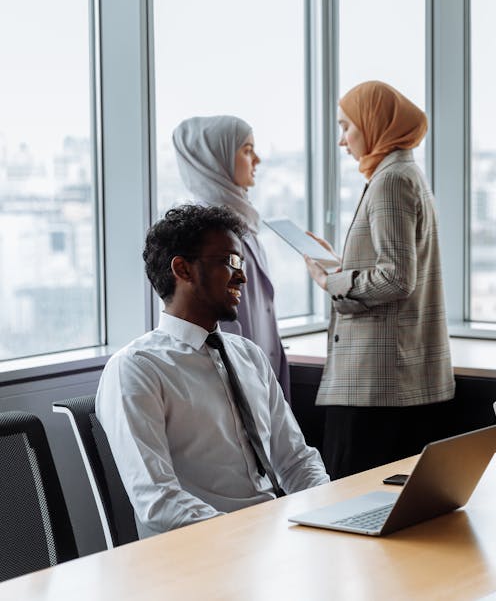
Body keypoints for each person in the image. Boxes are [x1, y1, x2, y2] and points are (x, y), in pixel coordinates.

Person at [96, 205, 329, 537]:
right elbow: (158, 499)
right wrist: (245, 535)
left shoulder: (248, 355)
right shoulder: (137, 368)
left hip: (267, 541)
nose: (242, 276)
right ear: (183, 269)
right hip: (197, 555)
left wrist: (329, 509)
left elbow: (295, 461)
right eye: (230, 262)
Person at [304, 80, 455, 479]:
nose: (342, 141)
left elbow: (397, 278)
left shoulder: (390, 181)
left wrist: (331, 281)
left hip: (376, 385)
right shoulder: (403, 173)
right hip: (391, 380)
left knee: (350, 500)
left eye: (346, 126)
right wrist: (342, 267)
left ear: (374, 125)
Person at [172, 115, 291, 401]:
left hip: (259, 379)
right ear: (216, 160)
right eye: (247, 150)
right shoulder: (200, 232)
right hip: (227, 384)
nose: (257, 160)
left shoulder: (245, 223)